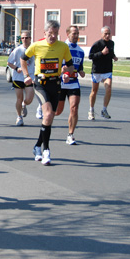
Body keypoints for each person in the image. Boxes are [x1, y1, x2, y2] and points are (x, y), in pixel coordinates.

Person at [20, 20, 74, 166]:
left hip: (55, 84)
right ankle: (46, 151)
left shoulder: (63, 46)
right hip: (40, 84)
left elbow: (70, 66)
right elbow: (23, 59)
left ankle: (37, 145)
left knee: (49, 118)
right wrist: (26, 75)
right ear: (45, 33)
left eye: (56, 34)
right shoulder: (37, 45)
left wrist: (67, 73)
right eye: (50, 34)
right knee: (48, 114)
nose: (53, 36)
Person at [55, 26, 86, 145]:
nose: (76, 36)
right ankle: (45, 113)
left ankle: (70, 134)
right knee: (58, 111)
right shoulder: (62, 48)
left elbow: (80, 67)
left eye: (77, 33)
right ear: (67, 34)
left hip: (73, 83)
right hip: (61, 83)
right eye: (73, 33)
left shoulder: (81, 51)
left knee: (74, 108)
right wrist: (61, 70)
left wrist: (81, 72)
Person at [88, 26, 118, 120]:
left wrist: (114, 57)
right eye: (106, 33)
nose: (108, 35)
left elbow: (111, 52)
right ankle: (91, 110)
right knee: (94, 91)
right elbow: (90, 56)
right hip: (97, 71)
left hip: (107, 70)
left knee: (108, 87)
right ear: (101, 34)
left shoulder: (112, 43)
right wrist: (101, 53)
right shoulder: (97, 44)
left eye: (109, 33)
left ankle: (104, 110)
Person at [7, 30, 35, 126]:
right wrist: (16, 68)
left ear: (30, 38)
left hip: (29, 76)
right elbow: (9, 62)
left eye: (26, 37)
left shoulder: (34, 49)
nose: (24, 39)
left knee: (29, 98)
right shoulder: (17, 50)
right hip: (18, 77)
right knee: (19, 98)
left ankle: (24, 104)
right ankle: (19, 117)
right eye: (22, 38)